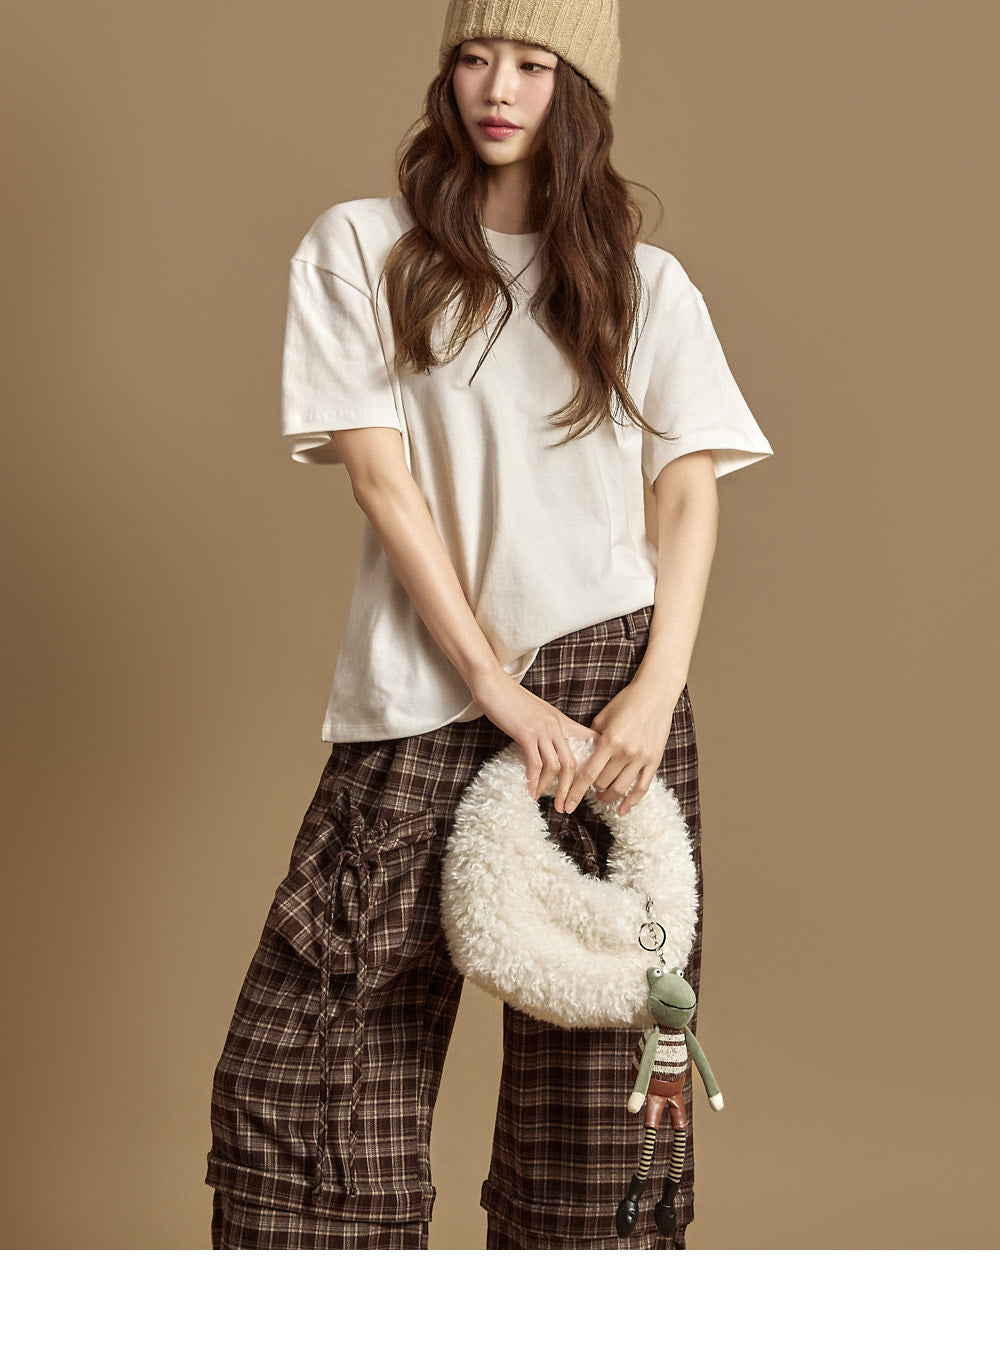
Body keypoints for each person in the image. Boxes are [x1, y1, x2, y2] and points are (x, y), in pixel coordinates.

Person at [204, 0, 774, 1250]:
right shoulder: (362, 247)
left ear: (580, 89)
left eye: (530, 62)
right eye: (473, 56)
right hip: (432, 676)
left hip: (613, 680)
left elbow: (687, 494)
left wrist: (653, 690)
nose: (496, 88)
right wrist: (492, 683)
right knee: (314, 1059)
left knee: (604, 1091)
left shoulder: (646, 283)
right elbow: (382, 481)